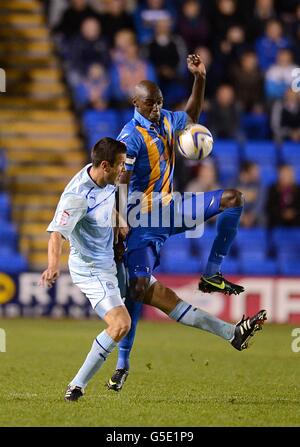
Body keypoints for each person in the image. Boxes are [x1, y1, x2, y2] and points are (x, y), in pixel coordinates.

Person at [107, 53, 263, 391]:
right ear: (136, 103)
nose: (157, 108)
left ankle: (211, 274)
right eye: (150, 104)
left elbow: (191, 116)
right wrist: (120, 220)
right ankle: (122, 363)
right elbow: (121, 182)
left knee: (234, 199)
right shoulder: (129, 137)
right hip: (141, 220)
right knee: (136, 290)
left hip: (172, 209)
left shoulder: (165, 119)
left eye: (160, 102)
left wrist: (200, 78)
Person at [39, 137, 131, 401]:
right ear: (105, 165)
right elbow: (56, 234)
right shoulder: (76, 197)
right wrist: (52, 266)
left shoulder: (104, 180)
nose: (124, 170)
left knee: (134, 301)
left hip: (108, 262)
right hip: (91, 268)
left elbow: (104, 203)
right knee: (121, 324)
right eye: (121, 165)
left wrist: (119, 219)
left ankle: (112, 369)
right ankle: (77, 385)